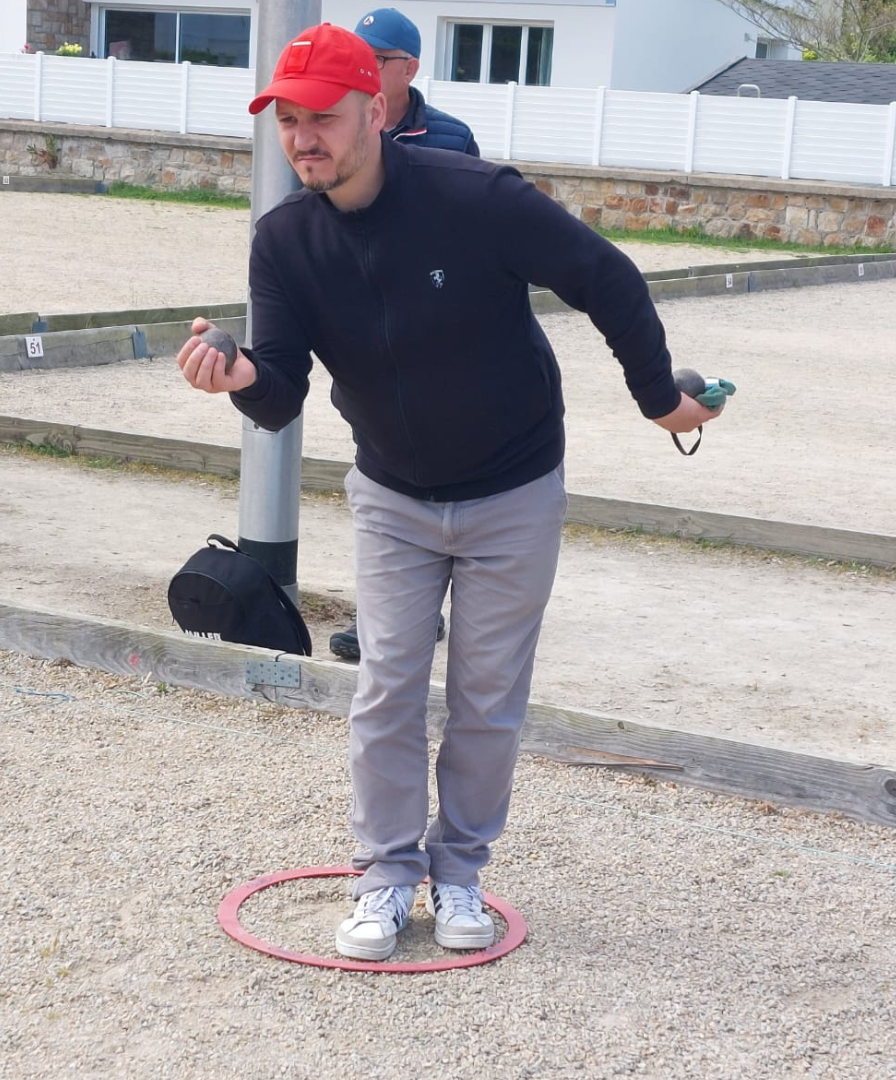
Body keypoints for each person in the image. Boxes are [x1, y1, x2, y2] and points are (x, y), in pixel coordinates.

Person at [177, 24, 719, 961]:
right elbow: (281, 395)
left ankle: (460, 872)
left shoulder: (478, 197)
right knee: (387, 686)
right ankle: (387, 876)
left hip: (513, 485)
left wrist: (658, 400)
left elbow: (607, 276)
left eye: (325, 118)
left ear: (375, 110)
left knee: (485, 693)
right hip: (393, 494)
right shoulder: (286, 241)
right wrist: (240, 385)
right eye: (289, 121)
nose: (304, 138)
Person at [327, 7, 476, 662]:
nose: (358, 69)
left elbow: (469, 230)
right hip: (367, 333)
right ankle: (387, 615)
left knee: (437, 469)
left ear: (407, 69)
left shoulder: (449, 137)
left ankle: (428, 608)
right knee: (380, 472)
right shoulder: (337, 130)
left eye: (374, 59)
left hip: (439, 334)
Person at [354, 7, 479, 157]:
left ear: (409, 70)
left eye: (377, 58)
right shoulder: (337, 127)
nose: (363, 68)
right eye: (359, 55)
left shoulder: (455, 142)